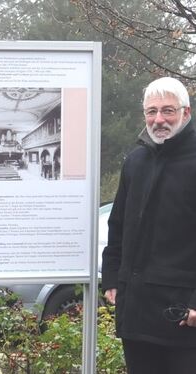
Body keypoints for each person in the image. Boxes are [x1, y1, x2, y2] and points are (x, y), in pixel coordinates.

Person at [102, 76, 196, 373]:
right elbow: (118, 224)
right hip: (137, 312)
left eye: (168, 110)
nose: (158, 119)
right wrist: (113, 278)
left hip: (183, 314)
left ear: (186, 113)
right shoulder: (136, 161)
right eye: (151, 111)